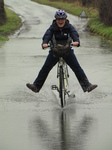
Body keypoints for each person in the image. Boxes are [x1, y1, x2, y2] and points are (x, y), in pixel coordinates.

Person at [26, 10, 97, 93]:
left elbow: (74, 34)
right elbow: (47, 35)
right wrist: (44, 43)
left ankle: (87, 86)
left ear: (65, 19)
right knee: (45, 68)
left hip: (67, 52)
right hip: (54, 52)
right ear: (56, 20)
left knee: (77, 68)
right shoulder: (52, 28)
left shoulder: (70, 27)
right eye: (58, 19)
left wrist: (76, 42)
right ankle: (36, 87)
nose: (60, 21)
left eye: (62, 19)